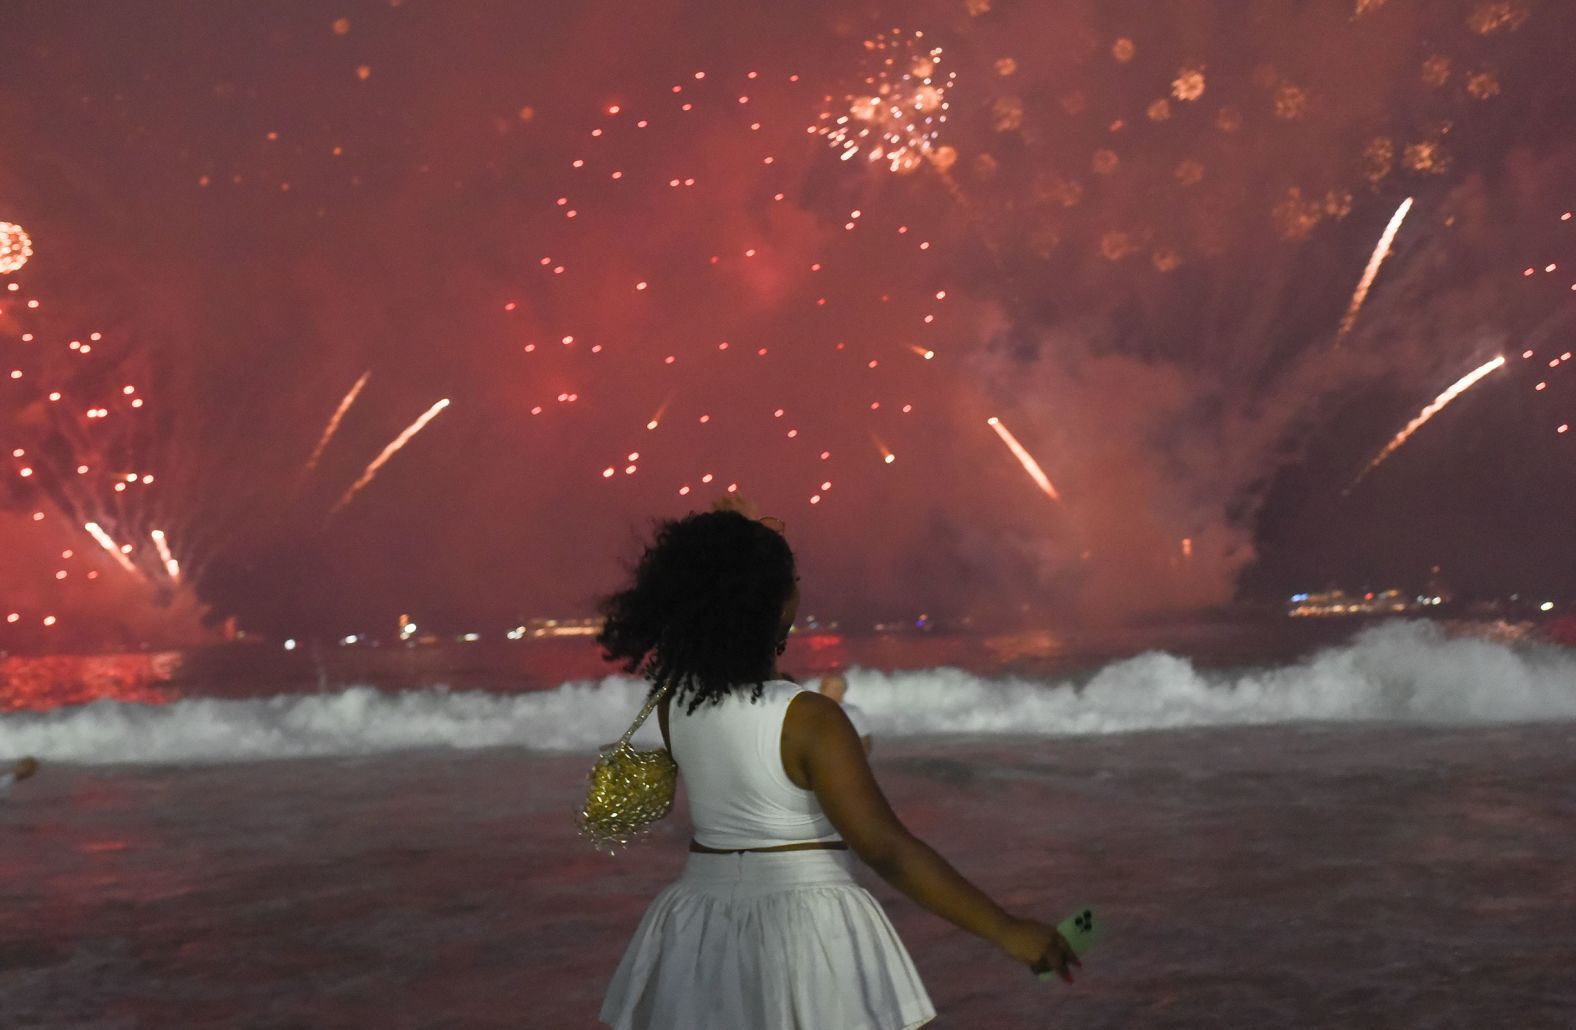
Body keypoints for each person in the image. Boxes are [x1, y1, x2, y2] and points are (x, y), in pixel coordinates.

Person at [596, 500, 1077, 1030]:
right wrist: (1005, 929)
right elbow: (886, 850)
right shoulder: (811, 720)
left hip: (699, 923)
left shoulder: (673, 707)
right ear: (779, 606)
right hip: (806, 929)